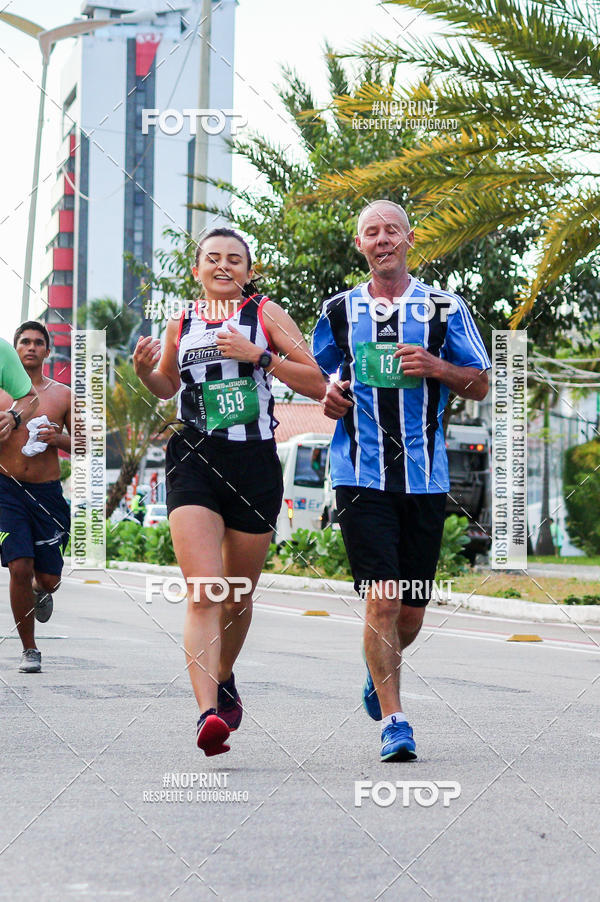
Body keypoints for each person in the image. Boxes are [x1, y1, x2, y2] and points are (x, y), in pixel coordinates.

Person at [134, 227, 325, 755]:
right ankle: (207, 714)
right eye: (212, 259)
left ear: (249, 269)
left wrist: (257, 356)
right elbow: (167, 386)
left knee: (237, 598)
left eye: (234, 259)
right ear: (196, 270)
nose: (223, 266)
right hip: (194, 457)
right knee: (206, 589)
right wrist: (143, 371)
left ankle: (223, 674)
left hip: (255, 462)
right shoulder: (183, 320)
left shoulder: (267, 315)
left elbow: (318, 382)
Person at [313, 200, 491, 762]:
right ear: (360, 246)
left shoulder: (444, 308)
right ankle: (395, 720)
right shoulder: (338, 311)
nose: (383, 238)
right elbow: (318, 374)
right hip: (361, 475)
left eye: (392, 229)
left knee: (411, 610)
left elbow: (481, 383)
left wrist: (437, 368)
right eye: (372, 231)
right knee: (383, 601)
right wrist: (329, 395)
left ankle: (376, 669)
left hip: (426, 477)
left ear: (410, 239)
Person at [0, 322, 71, 673]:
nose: (30, 347)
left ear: (48, 350)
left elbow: (88, 445)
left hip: (48, 494)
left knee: (48, 580)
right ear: (14, 350)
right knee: (19, 566)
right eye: (24, 342)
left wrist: (58, 439)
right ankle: (29, 649)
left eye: (37, 342)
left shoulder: (63, 395)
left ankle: (38, 589)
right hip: (6, 490)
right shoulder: (0, 393)